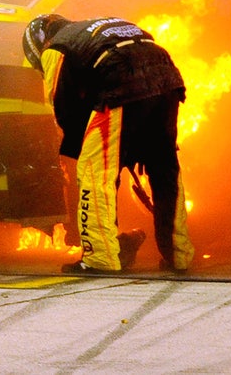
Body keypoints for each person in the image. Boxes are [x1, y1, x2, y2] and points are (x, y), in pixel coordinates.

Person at [22, 14, 195, 274]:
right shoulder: (93, 31)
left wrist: (88, 149)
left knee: (95, 172)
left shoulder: (56, 47)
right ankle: (178, 255)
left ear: (38, 46)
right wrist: (129, 145)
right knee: (164, 169)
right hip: (166, 78)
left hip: (120, 83)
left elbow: (63, 108)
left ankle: (100, 258)